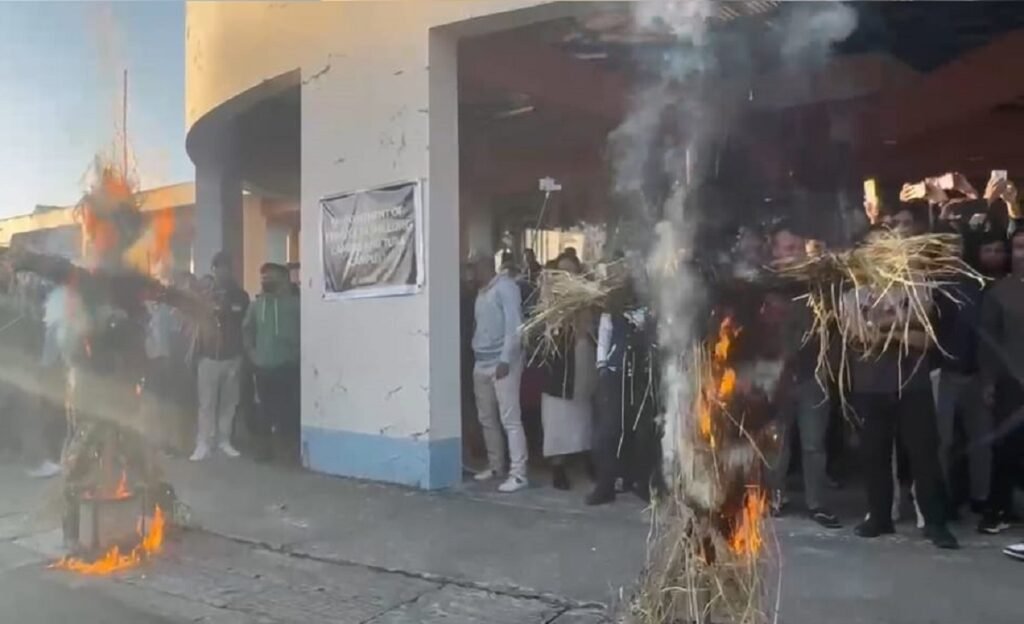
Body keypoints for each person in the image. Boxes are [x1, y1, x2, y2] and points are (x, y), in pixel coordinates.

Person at [845, 220, 958, 549]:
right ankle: (879, 517)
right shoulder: (852, 295)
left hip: (912, 385)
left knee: (924, 454)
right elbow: (859, 337)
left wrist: (881, 327)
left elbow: (925, 339)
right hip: (870, 385)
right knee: (874, 454)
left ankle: (935, 522)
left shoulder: (916, 285)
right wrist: (902, 327)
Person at [766, 222, 841, 528]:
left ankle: (817, 503)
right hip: (776, 378)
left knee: (814, 445)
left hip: (813, 375)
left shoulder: (818, 283)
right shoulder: (764, 285)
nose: (794, 254)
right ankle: (773, 498)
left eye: (798, 248)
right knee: (776, 443)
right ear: (774, 251)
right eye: (788, 248)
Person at [934, 229, 1007, 519]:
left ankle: (981, 497)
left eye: (958, 245)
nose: (953, 251)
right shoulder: (930, 286)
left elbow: (989, 334)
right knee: (943, 442)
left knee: (981, 440)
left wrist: (988, 377)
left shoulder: (977, 284)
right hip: (943, 373)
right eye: (947, 245)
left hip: (976, 373)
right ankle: (941, 497)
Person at [470, 250, 529, 493]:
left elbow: (514, 326)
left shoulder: (506, 287)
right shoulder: (481, 292)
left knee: (510, 420)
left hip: (503, 363)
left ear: (485, 265)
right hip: (481, 362)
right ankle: (496, 466)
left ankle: (519, 473)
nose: (471, 273)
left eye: (474, 267)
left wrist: (505, 359)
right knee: (487, 419)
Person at [977, 228, 1024, 534]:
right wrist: (988, 382)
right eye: (1019, 247)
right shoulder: (999, 293)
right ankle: (998, 510)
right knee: (1007, 447)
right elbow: (988, 342)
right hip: (1011, 384)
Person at [540, 253, 597, 491]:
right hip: (557, 367)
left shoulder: (586, 298)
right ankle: (558, 466)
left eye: (571, 272)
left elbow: (589, 328)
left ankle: (587, 459)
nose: (567, 276)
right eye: (562, 272)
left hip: (580, 362)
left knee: (582, 416)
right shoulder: (549, 297)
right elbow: (546, 326)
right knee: (556, 419)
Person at [190, 252, 249, 461]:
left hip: (232, 356)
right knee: (206, 403)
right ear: (213, 270)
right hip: (208, 356)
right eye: (217, 268)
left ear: (230, 270)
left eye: (225, 268)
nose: (221, 272)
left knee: (229, 403)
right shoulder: (205, 295)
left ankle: (224, 440)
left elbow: (243, 322)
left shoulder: (241, 296)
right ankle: (204, 442)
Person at [243, 263, 301, 463]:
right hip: (264, 367)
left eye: (270, 276)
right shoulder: (256, 306)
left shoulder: (296, 305)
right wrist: (253, 355)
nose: (265, 279)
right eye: (263, 276)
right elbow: (247, 331)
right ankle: (264, 451)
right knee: (264, 411)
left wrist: (297, 354)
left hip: (289, 366)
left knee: (289, 411)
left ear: (284, 279)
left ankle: (289, 453)